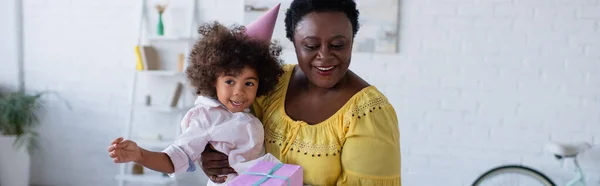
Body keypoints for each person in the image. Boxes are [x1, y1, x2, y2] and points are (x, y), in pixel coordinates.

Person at [199, 0, 402, 185]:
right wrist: (210, 155)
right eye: (311, 46)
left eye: (338, 45)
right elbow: (227, 125)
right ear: (294, 42)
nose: (324, 56)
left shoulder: (368, 114)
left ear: (351, 41)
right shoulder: (271, 84)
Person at [107, 4, 286, 186]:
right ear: (212, 80)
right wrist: (140, 155)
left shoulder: (253, 111)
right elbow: (175, 157)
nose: (239, 91)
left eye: (249, 83)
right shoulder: (205, 117)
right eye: (229, 81)